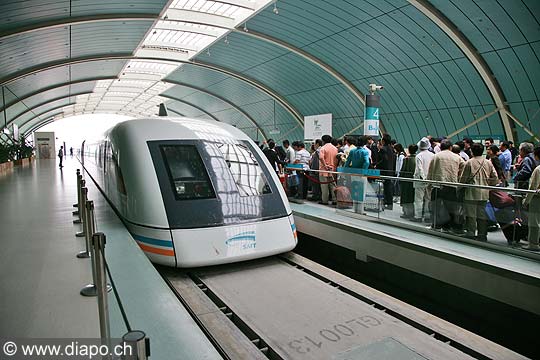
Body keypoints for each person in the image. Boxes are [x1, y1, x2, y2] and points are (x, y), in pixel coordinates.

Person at [459, 143, 498, 241]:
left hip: (471, 192)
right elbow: (495, 177)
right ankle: (482, 234)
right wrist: (488, 184)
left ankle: (471, 232)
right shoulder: (488, 162)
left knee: (471, 214)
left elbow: (463, 178)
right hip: (484, 192)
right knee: (481, 214)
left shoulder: (469, 162)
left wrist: (459, 187)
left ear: (472, 151)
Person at [427, 139, 465, 231]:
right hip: (451, 184)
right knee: (451, 208)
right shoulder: (456, 157)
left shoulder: (436, 156)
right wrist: (458, 175)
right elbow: (464, 165)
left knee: (436, 207)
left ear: (440, 147)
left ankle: (436, 225)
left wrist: (429, 183)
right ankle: (450, 226)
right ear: (451, 147)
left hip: (437, 185)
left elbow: (430, 171)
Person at [344, 136, 370, 213]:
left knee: (355, 190)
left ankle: (355, 209)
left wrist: (346, 170)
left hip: (353, 173)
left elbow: (347, 162)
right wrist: (364, 171)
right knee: (362, 192)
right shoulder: (365, 152)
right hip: (361, 174)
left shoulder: (352, 151)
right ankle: (360, 210)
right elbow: (367, 162)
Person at [412, 138, 434, 222]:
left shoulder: (419, 156)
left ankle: (418, 216)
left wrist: (423, 177)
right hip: (429, 180)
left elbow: (419, 168)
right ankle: (427, 216)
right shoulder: (432, 155)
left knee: (418, 199)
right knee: (428, 198)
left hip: (420, 180)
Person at [523, 145, 540, 251]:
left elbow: (532, 186)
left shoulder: (538, 170)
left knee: (534, 222)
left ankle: (533, 243)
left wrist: (526, 201)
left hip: (537, 199)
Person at [376, 133, 396, 210]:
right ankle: (390, 203)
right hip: (390, 171)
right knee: (389, 187)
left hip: (383, 171)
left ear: (383, 141)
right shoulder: (391, 149)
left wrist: (376, 166)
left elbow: (383, 160)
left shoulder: (383, 149)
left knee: (383, 188)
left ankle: (384, 203)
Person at [319, 135, 338, 205]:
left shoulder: (323, 148)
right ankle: (334, 200)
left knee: (324, 186)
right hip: (332, 169)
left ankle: (325, 200)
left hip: (324, 170)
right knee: (332, 185)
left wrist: (325, 165)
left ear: (323, 141)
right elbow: (336, 158)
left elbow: (321, 157)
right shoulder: (335, 148)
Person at [400, 144, 417, 219]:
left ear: (409, 150)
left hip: (405, 180)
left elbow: (402, 170)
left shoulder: (406, 159)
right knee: (411, 196)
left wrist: (400, 178)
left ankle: (406, 212)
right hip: (414, 180)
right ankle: (412, 212)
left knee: (405, 196)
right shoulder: (417, 159)